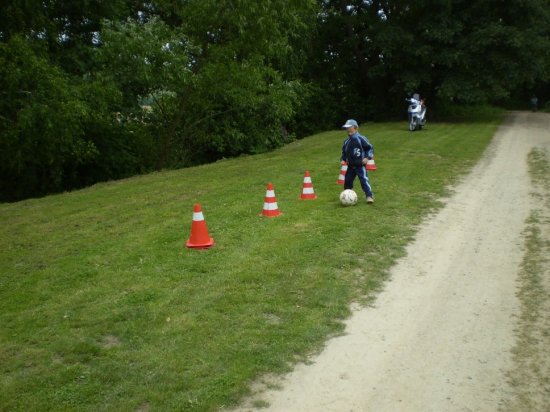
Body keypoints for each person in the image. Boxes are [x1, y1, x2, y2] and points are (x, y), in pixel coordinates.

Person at [340, 119, 374, 204]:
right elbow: (344, 152)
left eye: (349, 127)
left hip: (360, 165)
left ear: (355, 128)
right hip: (350, 166)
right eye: (346, 128)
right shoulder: (346, 141)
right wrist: (343, 159)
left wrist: (367, 157)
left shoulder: (361, 138)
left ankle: (369, 196)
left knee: (364, 180)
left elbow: (369, 148)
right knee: (347, 181)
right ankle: (347, 196)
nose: (347, 130)